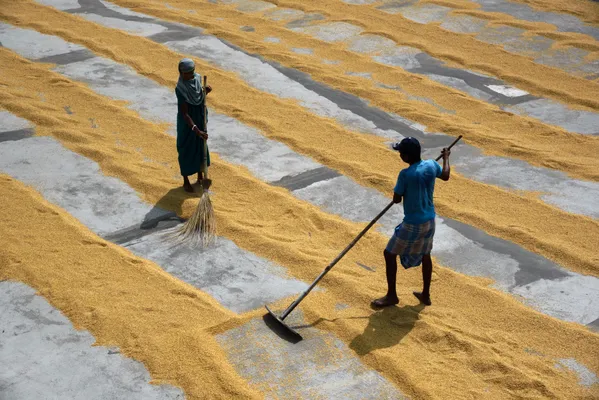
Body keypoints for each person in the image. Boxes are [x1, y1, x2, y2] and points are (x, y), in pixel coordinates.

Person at [372, 137, 451, 308]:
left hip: (413, 224)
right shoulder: (431, 165)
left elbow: (397, 198)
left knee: (389, 253)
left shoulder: (405, 174)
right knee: (425, 254)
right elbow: (445, 175)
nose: (400, 155)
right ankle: (426, 294)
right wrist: (446, 158)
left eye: (401, 153)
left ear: (406, 156)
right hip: (429, 220)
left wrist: (399, 193)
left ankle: (392, 295)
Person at [176, 58, 212, 193]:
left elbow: (198, 97)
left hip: (199, 116)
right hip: (188, 123)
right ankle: (185, 180)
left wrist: (205, 92)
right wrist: (196, 130)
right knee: (185, 148)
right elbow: (185, 114)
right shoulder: (180, 88)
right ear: (181, 73)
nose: (190, 76)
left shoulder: (197, 79)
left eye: (191, 72)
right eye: (187, 73)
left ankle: (200, 176)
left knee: (200, 147)